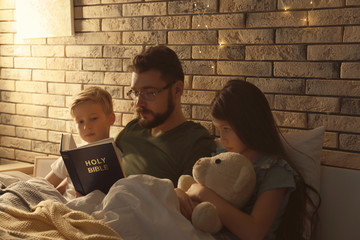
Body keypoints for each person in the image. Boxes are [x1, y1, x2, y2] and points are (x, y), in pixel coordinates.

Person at [175, 80, 320, 240]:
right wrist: (178, 194)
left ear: (249, 124)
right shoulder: (220, 158)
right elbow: (191, 190)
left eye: (227, 129)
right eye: (219, 130)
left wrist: (204, 194)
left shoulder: (275, 170)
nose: (222, 138)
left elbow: (254, 231)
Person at [115, 45, 216, 186]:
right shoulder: (132, 129)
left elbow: (187, 201)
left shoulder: (194, 141)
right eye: (135, 93)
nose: (138, 103)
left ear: (177, 90)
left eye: (149, 92)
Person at [45, 86, 116, 199]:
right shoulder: (72, 155)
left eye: (93, 118)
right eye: (80, 121)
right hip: (65, 207)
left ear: (110, 118)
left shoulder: (118, 154)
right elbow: (44, 185)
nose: (86, 127)